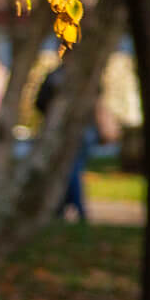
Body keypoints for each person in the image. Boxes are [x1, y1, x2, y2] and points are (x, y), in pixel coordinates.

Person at [35, 64, 94, 224]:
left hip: (72, 129)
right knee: (71, 169)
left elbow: (40, 102)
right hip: (79, 128)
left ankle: (71, 208)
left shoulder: (57, 76)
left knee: (70, 169)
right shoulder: (86, 73)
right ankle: (66, 207)